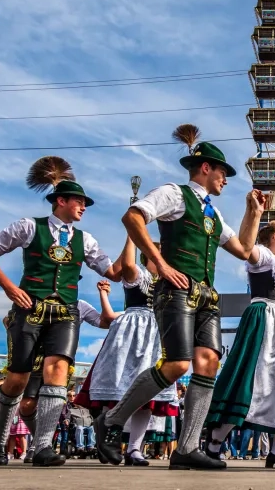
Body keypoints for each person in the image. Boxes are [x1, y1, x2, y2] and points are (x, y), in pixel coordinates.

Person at [95, 125, 264, 471]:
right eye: (223, 172)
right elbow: (133, 217)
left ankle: (186, 448)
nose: (226, 179)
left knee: (208, 363)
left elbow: (245, 250)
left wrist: (255, 213)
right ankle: (112, 420)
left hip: (206, 295)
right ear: (206, 168)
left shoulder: (213, 214)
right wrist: (159, 263)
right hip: (175, 291)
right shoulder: (174, 193)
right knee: (177, 364)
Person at [0, 156, 122, 467]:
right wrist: (9, 288)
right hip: (30, 308)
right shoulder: (29, 227)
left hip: (66, 311)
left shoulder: (87, 240)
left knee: (58, 371)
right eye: (79, 201)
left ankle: (42, 447)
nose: (83, 207)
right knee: (16, 380)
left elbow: (115, 272)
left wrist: (133, 236)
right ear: (61, 201)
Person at [206, 221, 275, 469]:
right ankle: (215, 441)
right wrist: (254, 215)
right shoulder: (263, 255)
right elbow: (246, 250)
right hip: (267, 316)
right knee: (255, 379)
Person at [75, 237, 177, 467]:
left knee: (148, 396)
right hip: (131, 332)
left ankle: (134, 449)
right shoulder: (138, 275)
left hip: (156, 335)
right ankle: (106, 442)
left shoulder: (166, 281)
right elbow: (128, 266)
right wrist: (133, 235)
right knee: (115, 385)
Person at [16, 281, 118, 463]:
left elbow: (105, 322)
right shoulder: (34, 299)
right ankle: (39, 441)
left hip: (59, 361)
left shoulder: (79, 306)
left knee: (52, 405)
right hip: (34, 359)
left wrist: (104, 294)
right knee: (27, 405)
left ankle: (40, 445)